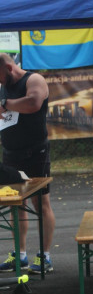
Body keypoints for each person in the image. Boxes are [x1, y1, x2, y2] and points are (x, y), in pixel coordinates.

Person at [0, 53, 55, 274]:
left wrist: (5, 104)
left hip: (35, 152)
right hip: (10, 153)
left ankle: (45, 256)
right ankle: (19, 254)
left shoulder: (33, 80)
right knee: (15, 204)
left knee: (40, 203)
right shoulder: (4, 87)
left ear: (9, 68)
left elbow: (33, 103)